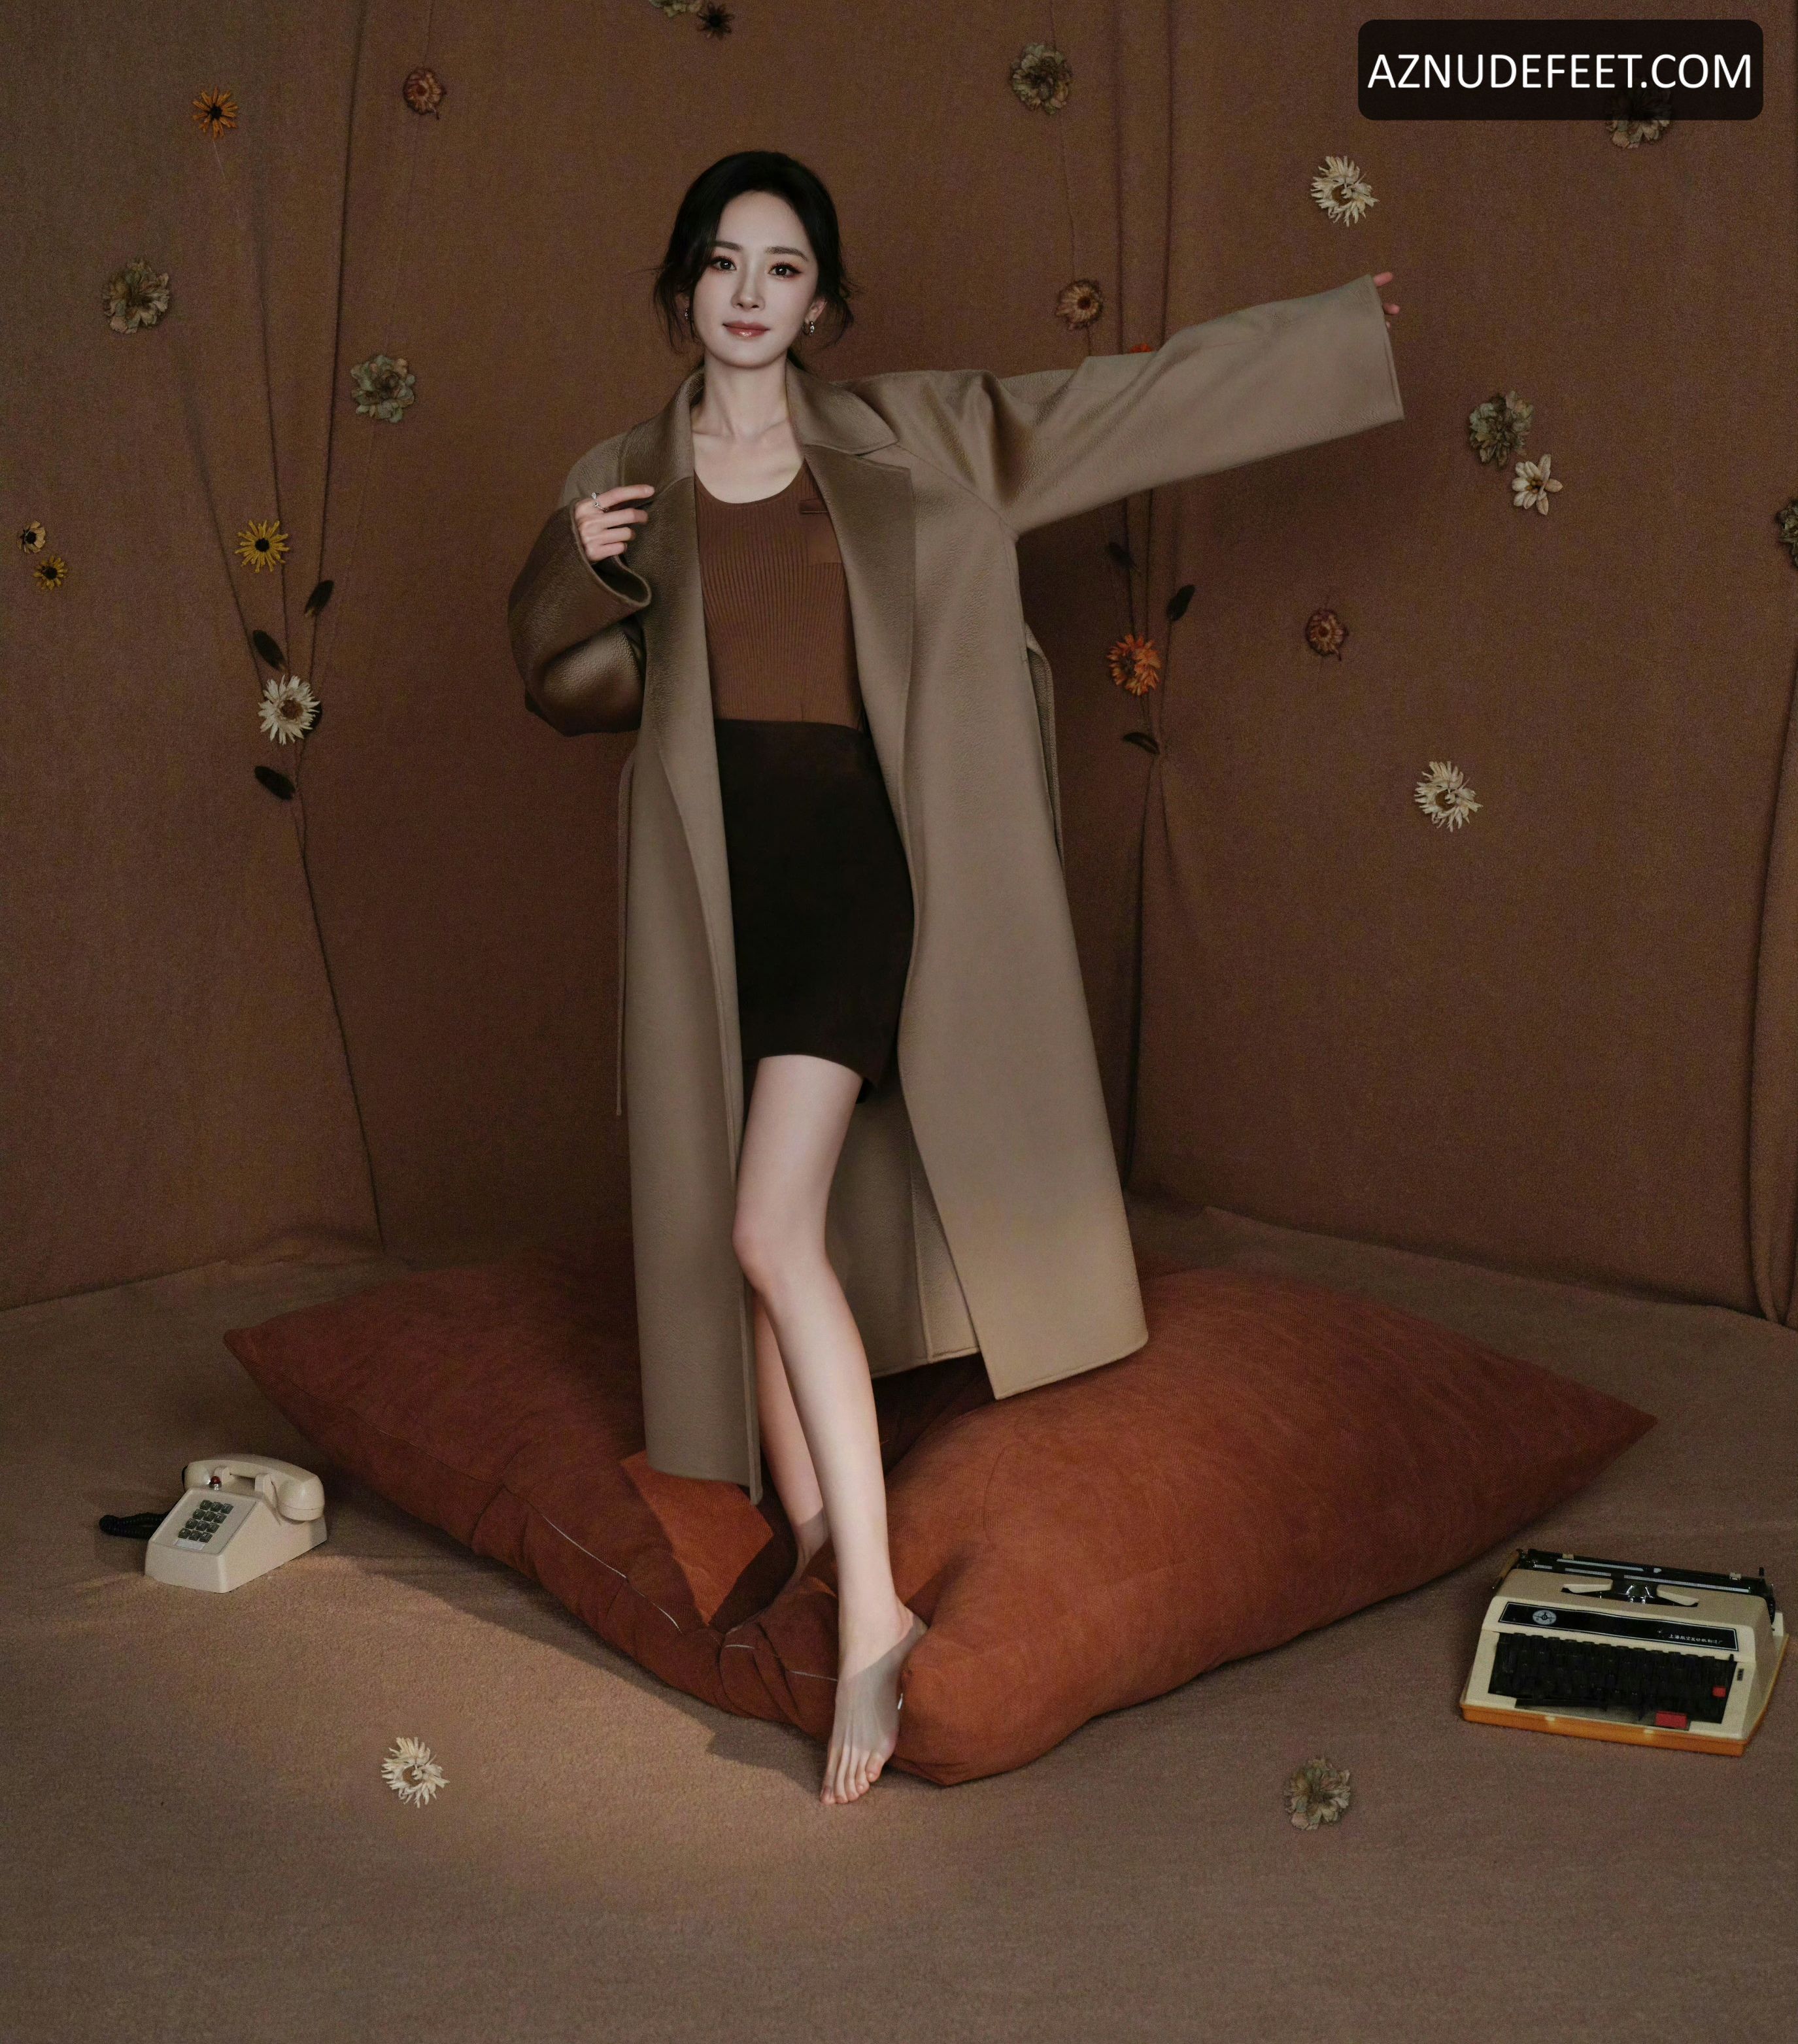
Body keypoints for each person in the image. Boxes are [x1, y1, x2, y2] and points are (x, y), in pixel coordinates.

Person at [512, 150, 1402, 1807]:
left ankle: (873, 1612)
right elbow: (566, 690)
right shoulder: (619, 475)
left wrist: (1327, 336)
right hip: (715, 896)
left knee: (765, 1230)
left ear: (822, 301)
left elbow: (1114, 406)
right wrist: (575, 562)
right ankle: (817, 1541)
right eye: (724, 262)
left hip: (852, 871)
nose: (750, 295)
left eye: (784, 267)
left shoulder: (911, 435)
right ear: (682, 285)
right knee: (758, 1243)